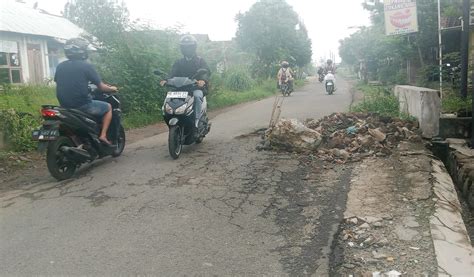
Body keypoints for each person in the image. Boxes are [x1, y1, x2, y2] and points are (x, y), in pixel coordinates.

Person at [54, 38, 118, 145]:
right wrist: (113, 88)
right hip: (82, 105)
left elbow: (63, 82)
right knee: (108, 107)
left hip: (64, 106)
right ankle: (103, 136)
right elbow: (101, 87)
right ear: (82, 51)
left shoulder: (60, 66)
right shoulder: (86, 65)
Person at [161, 35, 211, 131]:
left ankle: (196, 122)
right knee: (169, 96)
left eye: (189, 47)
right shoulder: (179, 62)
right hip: (181, 89)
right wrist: (166, 80)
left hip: (196, 88)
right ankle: (171, 116)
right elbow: (172, 73)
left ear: (193, 47)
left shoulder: (200, 61)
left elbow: (206, 71)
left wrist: (202, 80)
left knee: (197, 96)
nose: (187, 49)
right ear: (182, 48)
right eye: (184, 47)